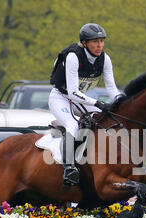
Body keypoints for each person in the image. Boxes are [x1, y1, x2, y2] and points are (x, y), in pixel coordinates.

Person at [49, 22, 123, 186]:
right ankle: (69, 169)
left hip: (80, 100)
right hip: (61, 97)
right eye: (95, 41)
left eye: (102, 41)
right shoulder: (73, 56)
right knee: (72, 124)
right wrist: (98, 102)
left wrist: (121, 101)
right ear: (84, 43)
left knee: (103, 117)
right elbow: (72, 92)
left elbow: (111, 87)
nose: (99, 45)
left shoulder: (105, 59)